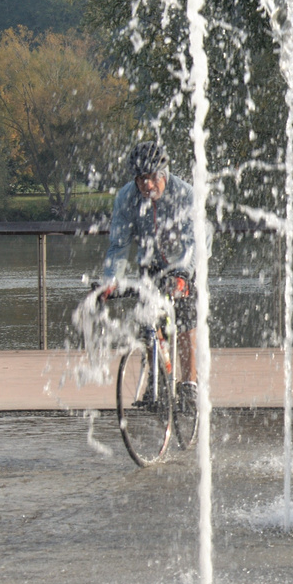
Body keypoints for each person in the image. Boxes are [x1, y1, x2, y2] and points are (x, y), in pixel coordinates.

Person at [100, 140, 197, 398]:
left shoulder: (184, 193)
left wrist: (183, 275)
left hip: (183, 263)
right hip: (151, 264)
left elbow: (194, 240)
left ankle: (189, 384)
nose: (147, 185)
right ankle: (158, 379)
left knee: (186, 319)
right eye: (141, 179)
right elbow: (119, 245)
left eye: (152, 178)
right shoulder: (126, 198)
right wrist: (110, 281)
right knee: (148, 320)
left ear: (163, 173)